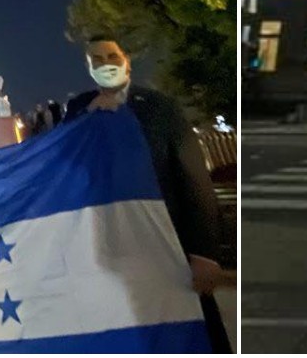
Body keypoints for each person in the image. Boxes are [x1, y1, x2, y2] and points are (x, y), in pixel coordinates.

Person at [65, 36, 233, 352]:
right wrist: (90, 120)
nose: (106, 64)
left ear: (126, 60)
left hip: (169, 243)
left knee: (186, 331)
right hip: (112, 246)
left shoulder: (158, 106)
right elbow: (66, 168)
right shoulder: (78, 109)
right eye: (96, 59)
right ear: (88, 68)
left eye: (111, 55)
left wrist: (204, 253)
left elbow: (193, 179)